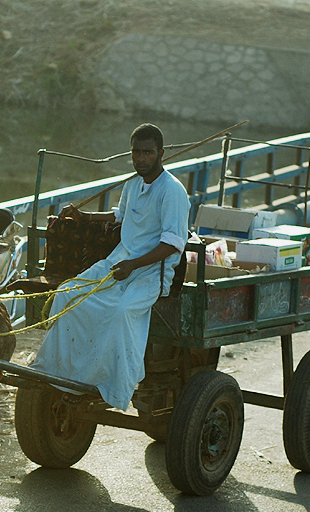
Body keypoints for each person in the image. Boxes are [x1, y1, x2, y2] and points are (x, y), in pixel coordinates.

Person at [31, 123, 190, 410]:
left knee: (119, 312)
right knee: (68, 293)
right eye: (136, 152)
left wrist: (133, 264)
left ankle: (109, 383)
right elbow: (120, 215)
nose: (141, 159)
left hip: (153, 271)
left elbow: (173, 244)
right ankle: (64, 373)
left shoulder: (173, 191)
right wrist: (82, 216)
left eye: (148, 153)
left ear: (161, 153)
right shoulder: (132, 184)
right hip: (119, 262)